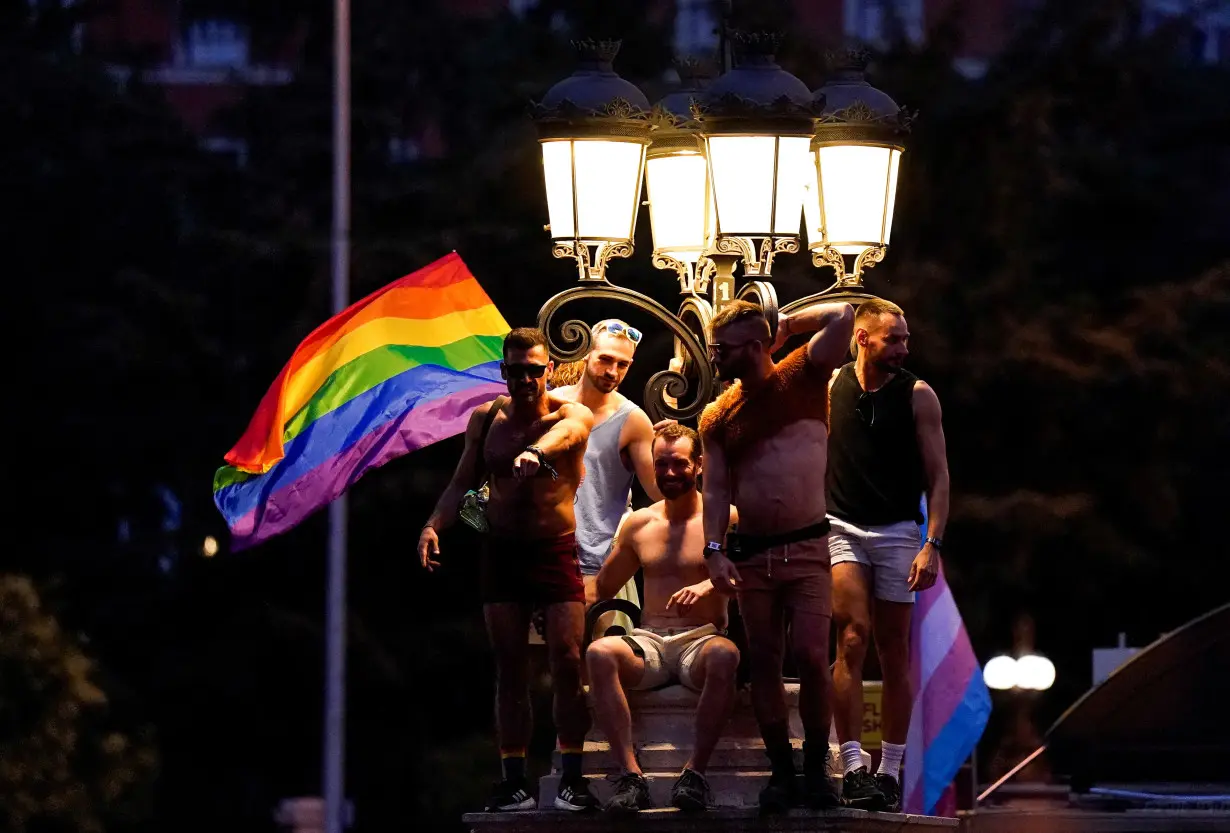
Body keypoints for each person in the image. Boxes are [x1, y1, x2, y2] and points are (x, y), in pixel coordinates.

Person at [417, 327, 600, 813]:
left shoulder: (568, 413)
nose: (526, 380)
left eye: (535, 370)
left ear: (550, 370)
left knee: (566, 658)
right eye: (516, 371)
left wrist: (537, 452)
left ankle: (573, 776)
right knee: (510, 666)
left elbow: (572, 434)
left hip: (554, 549)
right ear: (504, 372)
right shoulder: (487, 418)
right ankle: (513, 778)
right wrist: (434, 523)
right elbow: (463, 481)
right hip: (501, 551)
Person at [697, 299, 854, 813]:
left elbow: (845, 315)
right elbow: (716, 490)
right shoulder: (718, 415)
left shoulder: (803, 374)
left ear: (755, 347)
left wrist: (782, 323)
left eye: (721, 348)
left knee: (812, 655)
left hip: (809, 545)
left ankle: (815, 767)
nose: (713, 356)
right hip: (752, 554)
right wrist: (715, 551)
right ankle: (781, 770)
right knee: (763, 660)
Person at [826, 299, 948, 812]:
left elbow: (939, 476)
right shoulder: (831, 385)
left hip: (899, 530)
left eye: (905, 339)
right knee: (852, 637)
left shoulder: (917, 394)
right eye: (893, 339)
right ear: (863, 339)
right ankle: (853, 766)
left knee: (894, 651)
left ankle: (891, 768)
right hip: (841, 526)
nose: (903, 348)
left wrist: (932, 543)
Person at [584, 424, 740, 814]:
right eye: (661, 464)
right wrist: (558, 604)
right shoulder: (639, 524)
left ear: (699, 465)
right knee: (600, 654)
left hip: (701, 639)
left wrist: (707, 587)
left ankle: (694, 774)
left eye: (679, 464)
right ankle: (631, 776)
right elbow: (602, 587)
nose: (669, 472)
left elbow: (754, 570)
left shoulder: (726, 518)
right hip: (649, 641)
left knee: (726, 656)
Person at [549, 319, 665, 629]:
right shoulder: (551, 404)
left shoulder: (632, 420)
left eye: (622, 364)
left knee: (598, 656)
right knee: (537, 659)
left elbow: (658, 491)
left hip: (598, 557)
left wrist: (676, 453)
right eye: (605, 359)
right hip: (546, 548)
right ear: (586, 354)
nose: (612, 371)